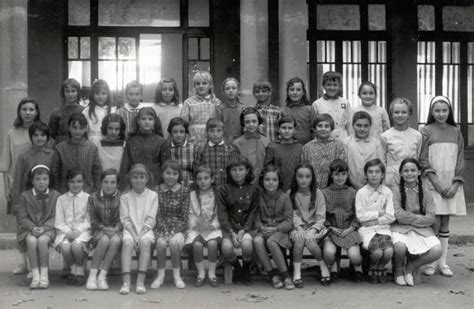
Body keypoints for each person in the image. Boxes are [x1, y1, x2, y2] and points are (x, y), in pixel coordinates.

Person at [419, 95, 466, 277]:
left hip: (451, 183)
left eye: (444, 110)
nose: (441, 114)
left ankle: (443, 263)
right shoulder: (426, 130)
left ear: (449, 112)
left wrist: (455, 183)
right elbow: (422, 159)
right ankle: (431, 262)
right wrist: (436, 183)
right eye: (437, 110)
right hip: (433, 182)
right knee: (434, 222)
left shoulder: (456, 131)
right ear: (431, 112)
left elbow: (460, 160)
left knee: (445, 221)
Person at [392, 158, 442, 286]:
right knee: (399, 247)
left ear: (419, 172)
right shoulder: (396, 191)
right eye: (406, 170)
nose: (410, 173)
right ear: (401, 173)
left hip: (422, 229)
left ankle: (411, 266)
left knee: (437, 250)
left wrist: (409, 218)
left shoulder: (426, 193)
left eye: (413, 170)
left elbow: (431, 218)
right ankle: (398, 270)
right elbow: (398, 216)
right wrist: (419, 218)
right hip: (400, 228)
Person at [217, 155, 260, 285]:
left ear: (247, 171)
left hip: (247, 228)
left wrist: (244, 230)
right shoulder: (223, 189)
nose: (237, 173)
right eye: (234, 170)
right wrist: (231, 232)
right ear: (229, 172)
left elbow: (253, 212)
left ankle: (246, 268)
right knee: (226, 247)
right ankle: (238, 268)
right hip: (229, 228)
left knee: (247, 245)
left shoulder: (254, 190)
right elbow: (222, 213)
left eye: (241, 169)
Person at [16, 165, 59, 289]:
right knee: (31, 240)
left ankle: (44, 275)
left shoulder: (55, 195)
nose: (41, 182)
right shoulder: (25, 196)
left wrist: (44, 228)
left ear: (49, 180)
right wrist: (32, 228)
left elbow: (55, 216)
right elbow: (22, 217)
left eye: (45, 179)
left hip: (48, 229)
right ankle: (35, 275)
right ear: (32, 180)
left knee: (42, 240)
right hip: (30, 229)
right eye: (38, 179)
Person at [321, 159, 364, 283]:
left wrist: (351, 228)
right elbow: (322, 215)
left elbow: (358, 215)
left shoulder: (353, 192)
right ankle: (334, 267)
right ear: (331, 175)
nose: (340, 177)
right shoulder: (324, 193)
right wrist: (331, 228)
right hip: (332, 230)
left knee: (355, 257)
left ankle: (357, 268)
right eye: (336, 174)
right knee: (329, 254)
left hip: (349, 229)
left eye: (343, 174)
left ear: (347, 175)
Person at [151, 160, 190, 289]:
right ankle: (160, 275)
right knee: (161, 243)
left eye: (174, 173)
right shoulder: (156, 190)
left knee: (174, 243)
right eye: (168, 173)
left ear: (179, 175)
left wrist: (173, 231)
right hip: (160, 226)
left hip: (179, 228)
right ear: (162, 174)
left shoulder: (184, 191)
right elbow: (157, 213)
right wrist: (165, 231)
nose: (171, 176)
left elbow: (184, 216)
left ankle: (177, 275)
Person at [119, 164, 158, 295]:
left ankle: (140, 282)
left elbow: (151, 218)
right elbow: (125, 219)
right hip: (129, 230)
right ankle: (126, 282)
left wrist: (140, 234)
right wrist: (134, 234)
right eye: (135, 177)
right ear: (130, 178)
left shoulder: (153, 196)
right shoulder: (125, 197)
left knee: (145, 242)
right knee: (127, 242)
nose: (138, 180)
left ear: (147, 178)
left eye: (142, 177)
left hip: (146, 230)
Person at [254, 165, 294, 290]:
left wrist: (276, 229)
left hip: (280, 231)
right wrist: (261, 227)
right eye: (267, 180)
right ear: (262, 181)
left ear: (279, 181)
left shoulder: (284, 197)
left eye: (274, 180)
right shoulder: (258, 196)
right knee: (257, 240)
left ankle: (285, 275)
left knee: (271, 241)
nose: (270, 182)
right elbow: (255, 217)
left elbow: (289, 221)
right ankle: (272, 274)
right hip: (264, 230)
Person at [355, 159, 395, 284]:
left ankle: (381, 266)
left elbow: (391, 216)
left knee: (388, 252)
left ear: (382, 174)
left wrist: (373, 220)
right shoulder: (361, 193)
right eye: (370, 172)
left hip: (383, 229)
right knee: (377, 252)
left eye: (377, 172)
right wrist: (379, 213)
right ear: (366, 175)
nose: (374, 175)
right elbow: (360, 216)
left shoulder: (387, 192)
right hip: (366, 230)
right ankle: (372, 266)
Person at [289, 163, 328, 287]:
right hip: (297, 227)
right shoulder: (290, 193)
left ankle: (323, 267)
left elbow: (321, 217)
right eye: (300, 176)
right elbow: (291, 214)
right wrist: (299, 228)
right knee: (300, 239)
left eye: (307, 176)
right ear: (295, 177)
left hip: (314, 227)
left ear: (312, 178)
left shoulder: (318, 194)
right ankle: (297, 273)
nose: (304, 180)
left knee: (310, 240)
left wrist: (312, 230)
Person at [1, 97, 41, 216]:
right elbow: (5, 164)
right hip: (17, 184)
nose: (28, 113)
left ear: (36, 112)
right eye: (24, 109)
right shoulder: (11, 133)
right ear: (19, 111)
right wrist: (6, 189)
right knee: (20, 222)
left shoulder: (41, 132)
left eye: (31, 109)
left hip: (39, 184)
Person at [53, 168, 91, 287]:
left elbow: (89, 219)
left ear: (83, 182)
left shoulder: (88, 198)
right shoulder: (61, 199)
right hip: (66, 232)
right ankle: (73, 270)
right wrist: (68, 232)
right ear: (67, 182)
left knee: (76, 246)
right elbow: (58, 221)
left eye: (79, 181)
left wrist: (79, 231)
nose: (75, 184)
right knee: (65, 247)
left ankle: (80, 271)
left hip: (83, 232)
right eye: (72, 181)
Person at [86, 168, 122, 291]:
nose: (108, 185)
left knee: (116, 240)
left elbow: (124, 217)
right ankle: (92, 277)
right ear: (100, 182)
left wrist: (117, 228)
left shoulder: (123, 197)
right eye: (105, 182)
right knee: (105, 240)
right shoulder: (93, 197)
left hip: (117, 230)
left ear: (118, 184)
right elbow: (92, 219)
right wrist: (104, 228)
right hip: (99, 229)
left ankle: (102, 276)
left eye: (112, 182)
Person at [186, 165, 222, 287]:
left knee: (212, 244)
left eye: (206, 178)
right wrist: (195, 225)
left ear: (212, 179)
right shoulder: (191, 195)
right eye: (199, 179)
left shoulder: (217, 195)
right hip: (197, 228)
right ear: (195, 180)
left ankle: (212, 273)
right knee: (196, 245)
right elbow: (191, 213)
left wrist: (213, 225)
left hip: (213, 228)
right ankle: (201, 273)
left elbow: (219, 213)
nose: (203, 181)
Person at [51, 112, 102, 194]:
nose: (77, 131)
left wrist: (96, 191)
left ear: (86, 129)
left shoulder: (92, 148)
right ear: (69, 128)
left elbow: (97, 171)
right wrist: (56, 192)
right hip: (65, 192)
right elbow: (55, 172)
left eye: (81, 128)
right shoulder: (60, 148)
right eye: (74, 127)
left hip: (87, 192)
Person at [11, 122, 55, 210]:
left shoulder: (53, 155)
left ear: (47, 137)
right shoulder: (24, 156)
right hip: (29, 198)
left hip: (49, 199)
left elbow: (56, 178)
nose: (39, 138)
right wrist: (16, 202)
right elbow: (17, 180)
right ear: (31, 137)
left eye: (42, 135)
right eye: (36, 135)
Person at [380, 98, 422, 189]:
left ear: (409, 114)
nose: (400, 115)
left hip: (412, 179)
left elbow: (419, 158)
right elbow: (382, 161)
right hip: (391, 181)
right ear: (391, 114)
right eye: (396, 112)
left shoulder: (417, 136)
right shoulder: (385, 136)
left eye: (403, 112)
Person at [120, 107, 165, 189]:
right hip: (135, 182)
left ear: (154, 121)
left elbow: (165, 166)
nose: (147, 122)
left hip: (155, 183)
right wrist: (123, 186)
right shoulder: (130, 140)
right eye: (143, 119)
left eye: (150, 119)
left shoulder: (161, 141)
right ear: (138, 121)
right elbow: (125, 165)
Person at [301, 114, 347, 189]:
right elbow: (304, 170)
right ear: (315, 128)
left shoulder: (338, 145)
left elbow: (342, 168)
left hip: (334, 189)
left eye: (326, 126)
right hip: (314, 189)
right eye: (320, 126)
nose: (323, 129)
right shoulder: (307, 147)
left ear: (331, 128)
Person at [193, 118, 239, 187]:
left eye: (219, 131)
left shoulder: (231, 149)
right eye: (211, 131)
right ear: (207, 132)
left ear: (223, 131)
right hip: (207, 189)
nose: (215, 134)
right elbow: (196, 170)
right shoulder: (201, 150)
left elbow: (235, 169)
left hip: (226, 188)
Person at [344, 111, 384, 190]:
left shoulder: (377, 143)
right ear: (352, 125)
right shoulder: (346, 142)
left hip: (374, 186)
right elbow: (344, 167)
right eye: (359, 125)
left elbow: (381, 165)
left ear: (370, 126)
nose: (362, 129)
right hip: (351, 186)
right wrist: (355, 184)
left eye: (366, 126)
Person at [181, 71, 221, 147]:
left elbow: (220, 123)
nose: (201, 86)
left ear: (210, 85)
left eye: (204, 83)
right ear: (194, 86)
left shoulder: (216, 102)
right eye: (198, 84)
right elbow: (183, 124)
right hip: (193, 142)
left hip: (212, 141)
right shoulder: (188, 103)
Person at [264, 115, 302, 192]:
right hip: (277, 189)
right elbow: (268, 168)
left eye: (290, 128)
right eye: (284, 128)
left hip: (296, 189)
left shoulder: (300, 148)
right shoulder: (272, 147)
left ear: (295, 130)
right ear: (278, 129)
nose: (287, 131)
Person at [233, 107, 270, 183]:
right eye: (247, 122)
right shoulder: (237, 143)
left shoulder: (266, 142)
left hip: (262, 182)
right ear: (243, 123)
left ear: (258, 121)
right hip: (244, 182)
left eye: (254, 121)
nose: (251, 125)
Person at [312, 71, 352, 140]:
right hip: (324, 138)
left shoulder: (345, 103)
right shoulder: (317, 104)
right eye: (329, 84)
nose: (332, 87)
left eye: (335, 85)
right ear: (323, 86)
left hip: (342, 138)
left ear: (339, 86)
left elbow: (349, 124)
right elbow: (314, 126)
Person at [160, 117, 194, 187]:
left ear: (186, 133)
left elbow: (195, 169)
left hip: (189, 183)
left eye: (182, 132)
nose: (178, 135)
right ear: (170, 133)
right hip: (170, 183)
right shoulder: (166, 148)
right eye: (175, 132)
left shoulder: (192, 148)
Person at [282, 77, 317, 144]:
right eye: (292, 89)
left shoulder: (309, 110)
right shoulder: (283, 111)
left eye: (298, 90)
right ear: (288, 92)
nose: (295, 92)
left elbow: (314, 131)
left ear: (303, 92)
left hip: (307, 148)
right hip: (288, 147)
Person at [48, 78, 84, 144]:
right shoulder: (56, 112)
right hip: (61, 145)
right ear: (63, 93)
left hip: (79, 144)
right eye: (67, 91)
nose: (70, 94)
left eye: (73, 91)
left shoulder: (84, 111)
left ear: (78, 92)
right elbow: (51, 132)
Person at [82, 79, 116, 145]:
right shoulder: (86, 111)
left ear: (108, 95)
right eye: (97, 93)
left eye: (103, 93)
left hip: (107, 144)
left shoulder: (113, 111)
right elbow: (83, 131)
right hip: (91, 144)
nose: (100, 96)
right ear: (92, 94)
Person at [216, 77, 245, 143]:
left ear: (238, 91)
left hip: (241, 144)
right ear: (223, 92)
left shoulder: (243, 109)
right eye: (227, 89)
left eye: (234, 88)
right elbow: (217, 128)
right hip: (224, 144)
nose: (231, 91)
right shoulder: (219, 109)